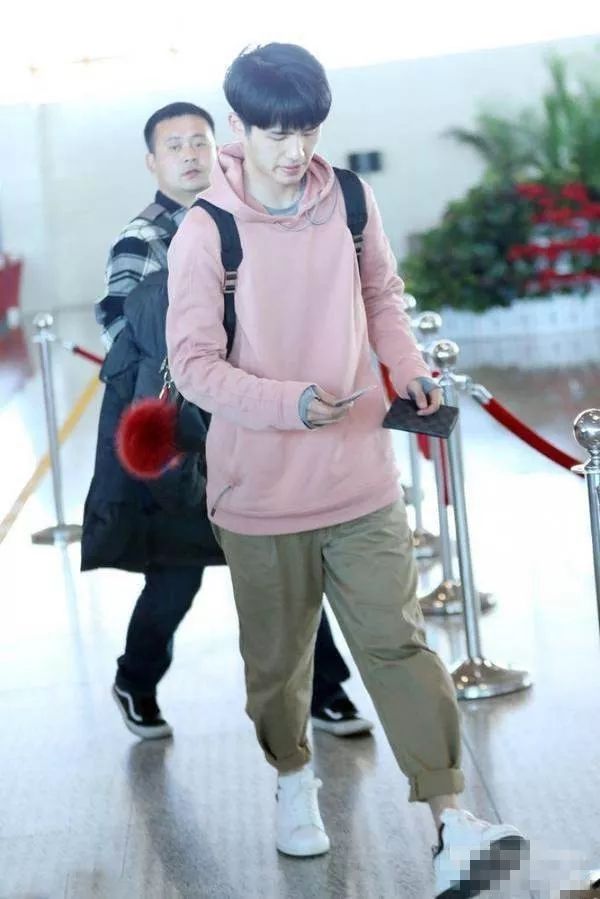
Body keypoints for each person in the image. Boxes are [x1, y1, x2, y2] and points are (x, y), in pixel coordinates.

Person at [165, 46, 528, 897]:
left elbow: (382, 299)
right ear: (239, 126)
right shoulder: (205, 230)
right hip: (259, 492)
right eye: (277, 134)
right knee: (278, 665)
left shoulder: (352, 200)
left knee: (399, 642)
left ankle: (450, 819)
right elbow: (193, 364)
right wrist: (289, 403)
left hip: (360, 475)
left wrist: (409, 369)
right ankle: (293, 777)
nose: (296, 151)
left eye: (309, 131)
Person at [82, 101, 372, 742]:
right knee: (176, 573)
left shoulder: (243, 215)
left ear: (219, 148)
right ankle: (136, 681)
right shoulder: (143, 236)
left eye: (199, 142)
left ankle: (325, 692)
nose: (190, 155)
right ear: (152, 161)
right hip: (186, 433)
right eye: (174, 146)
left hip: (253, 419)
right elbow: (119, 329)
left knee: (286, 562)